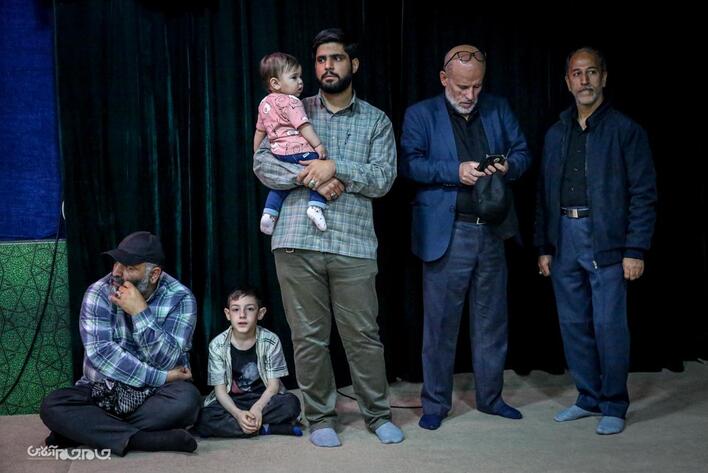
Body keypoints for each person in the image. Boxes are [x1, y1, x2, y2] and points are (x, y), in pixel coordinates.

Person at [253, 28, 403, 447]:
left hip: (353, 244)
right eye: (320, 60)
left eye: (335, 58)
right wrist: (314, 178)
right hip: (296, 240)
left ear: (353, 64)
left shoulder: (375, 120)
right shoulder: (288, 105)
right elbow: (262, 162)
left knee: (363, 336)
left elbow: (383, 179)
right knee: (308, 338)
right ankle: (319, 417)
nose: (327, 66)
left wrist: (336, 169)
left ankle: (377, 414)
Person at [399, 44, 532, 430]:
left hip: (492, 230)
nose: (470, 94)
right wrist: (454, 171)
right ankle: (435, 404)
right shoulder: (420, 114)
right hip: (448, 231)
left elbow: (523, 153)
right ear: (444, 79)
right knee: (440, 325)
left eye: (476, 86)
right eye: (462, 87)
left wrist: (507, 166)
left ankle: (491, 398)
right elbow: (408, 164)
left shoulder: (498, 108)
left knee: (492, 321)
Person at [534, 47, 657, 435]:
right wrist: (544, 246)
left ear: (603, 77)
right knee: (573, 323)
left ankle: (614, 403)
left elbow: (643, 193)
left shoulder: (625, 131)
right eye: (576, 73)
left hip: (605, 238)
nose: (584, 80)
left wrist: (635, 249)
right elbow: (543, 193)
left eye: (591, 72)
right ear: (567, 81)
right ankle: (588, 397)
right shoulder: (556, 133)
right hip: (564, 235)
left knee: (608, 325)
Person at [40, 231, 200, 455]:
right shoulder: (98, 292)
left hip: (152, 395)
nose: (117, 272)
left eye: (129, 268)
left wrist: (140, 313)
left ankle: (86, 429)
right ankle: (143, 440)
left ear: (154, 274)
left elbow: (168, 360)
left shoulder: (181, 298)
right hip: (102, 390)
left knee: (187, 401)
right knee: (53, 404)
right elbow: (103, 356)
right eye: (117, 262)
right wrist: (162, 377)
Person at [192, 288, 302, 438]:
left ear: (260, 313)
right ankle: (265, 428)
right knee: (204, 418)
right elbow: (220, 391)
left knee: (291, 404)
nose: (242, 315)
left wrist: (257, 408)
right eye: (235, 309)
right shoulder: (217, 345)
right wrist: (237, 414)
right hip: (234, 401)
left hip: (264, 399)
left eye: (249, 309)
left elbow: (273, 386)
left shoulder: (271, 341)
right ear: (228, 314)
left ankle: (247, 426)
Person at [254, 52, 329, 234]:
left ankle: (269, 213)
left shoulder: (264, 104)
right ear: (275, 83)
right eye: (294, 77)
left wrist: (256, 151)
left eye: (300, 77)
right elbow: (303, 126)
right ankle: (315, 206)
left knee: (281, 184)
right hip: (298, 151)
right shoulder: (292, 101)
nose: (300, 82)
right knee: (318, 167)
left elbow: (260, 131)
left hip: (278, 153)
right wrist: (317, 146)